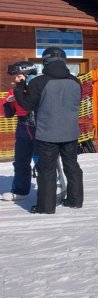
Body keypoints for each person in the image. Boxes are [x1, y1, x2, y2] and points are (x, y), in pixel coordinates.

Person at [13, 48, 84, 214]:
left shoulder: (39, 82)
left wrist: (20, 86)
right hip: (70, 132)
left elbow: (26, 105)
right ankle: (75, 200)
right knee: (72, 166)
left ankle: (46, 206)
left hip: (47, 133)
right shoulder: (76, 81)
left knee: (47, 170)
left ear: (45, 61)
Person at [0, 61, 38, 202]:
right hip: (23, 126)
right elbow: (8, 113)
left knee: (43, 159)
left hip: (40, 126)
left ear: (26, 76)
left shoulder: (39, 87)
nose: (14, 79)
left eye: (18, 76)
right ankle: (20, 190)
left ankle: (47, 188)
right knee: (21, 160)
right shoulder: (14, 90)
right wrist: (9, 103)